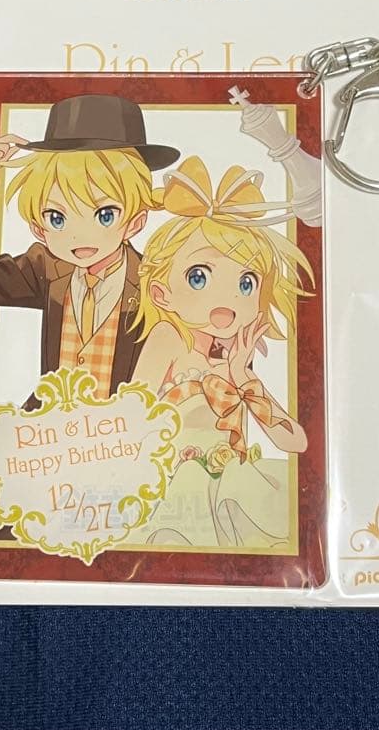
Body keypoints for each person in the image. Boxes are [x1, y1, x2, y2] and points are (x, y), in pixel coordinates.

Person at [130, 155, 311, 548]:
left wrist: (243, 376)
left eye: (246, 283)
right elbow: (133, 412)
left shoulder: (236, 361)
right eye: (199, 277)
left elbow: (294, 441)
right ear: (162, 293)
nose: (227, 302)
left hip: (230, 487)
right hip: (172, 487)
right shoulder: (168, 337)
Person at [0, 94, 180, 402]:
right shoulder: (44, 268)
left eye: (105, 215)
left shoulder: (155, 283)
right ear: (39, 228)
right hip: (50, 423)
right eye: (57, 218)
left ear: (136, 222)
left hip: (122, 426)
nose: (79, 236)